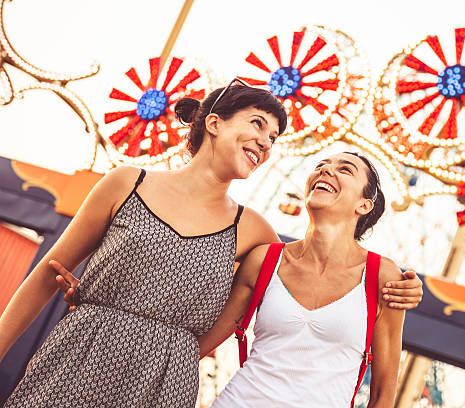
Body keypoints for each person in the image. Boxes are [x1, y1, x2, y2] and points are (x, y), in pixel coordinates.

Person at [0, 80, 421, 408]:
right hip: (81, 353)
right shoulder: (127, 183)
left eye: (273, 137)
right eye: (258, 124)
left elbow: (297, 293)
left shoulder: (255, 232)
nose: (265, 142)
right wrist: (104, 302)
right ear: (215, 122)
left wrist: (407, 288)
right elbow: (46, 273)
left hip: (165, 381)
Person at [197, 152, 406, 408]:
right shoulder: (265, 260)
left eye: (345, 169)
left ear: (364, 205)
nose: (326, 170)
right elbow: (200, 346)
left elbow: (383, 394)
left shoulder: (383, 277)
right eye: (321, 165)